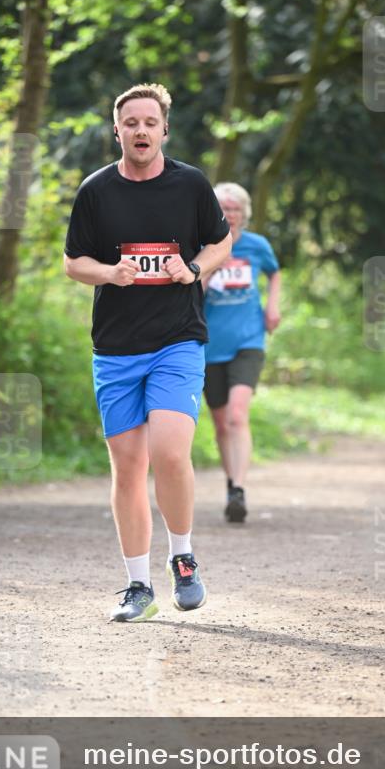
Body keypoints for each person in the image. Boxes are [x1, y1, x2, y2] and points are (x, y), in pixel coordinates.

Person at [64, 84, 231, 622]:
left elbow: (220, 240)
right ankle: (138, 586)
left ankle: (182, 556)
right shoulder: (95, 191)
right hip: (115, 348)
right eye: (130, 122)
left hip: (178, 339)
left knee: (169, 451)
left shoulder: (190, 185)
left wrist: (195, 268)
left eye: (149, 122)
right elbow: (73, 262)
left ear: (164, 130)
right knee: (128, 467)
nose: (140, 130)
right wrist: (110, 273)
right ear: (117, 130)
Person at [202, 182, 281, 521]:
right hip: (208, 346)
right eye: (223, 209)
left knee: (237, 414)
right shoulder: (202, 247)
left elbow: (274, 273)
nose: (229, 215)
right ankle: (231, 482)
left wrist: (272, 307)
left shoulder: (256, 245)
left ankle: (239, 489)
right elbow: (190, 290)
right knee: (221, 424)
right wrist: (211, 268)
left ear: (244, 213)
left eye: (234, 209)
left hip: (249, 341)